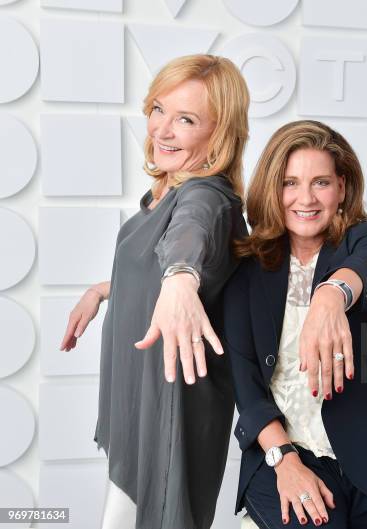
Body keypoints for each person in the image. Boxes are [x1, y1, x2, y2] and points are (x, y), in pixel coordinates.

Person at [59, 54, 250, 529]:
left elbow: (189, 240)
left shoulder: (207, 195)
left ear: (219, 133)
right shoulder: (162, 194)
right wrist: (106, 289)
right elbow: (159, 261)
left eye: (186, 119)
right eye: (158, 109)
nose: (162, 129)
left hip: (171, 406)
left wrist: (181, 276)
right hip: (139, 397)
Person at [223, 120, 367, 529]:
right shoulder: (246, 272)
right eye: (290, 183)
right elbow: (246, 386)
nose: (305, 198)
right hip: (288, 458)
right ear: (272, 188)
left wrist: (332, 293)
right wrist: (284, 462)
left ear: (341, 188)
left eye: (320, 183)